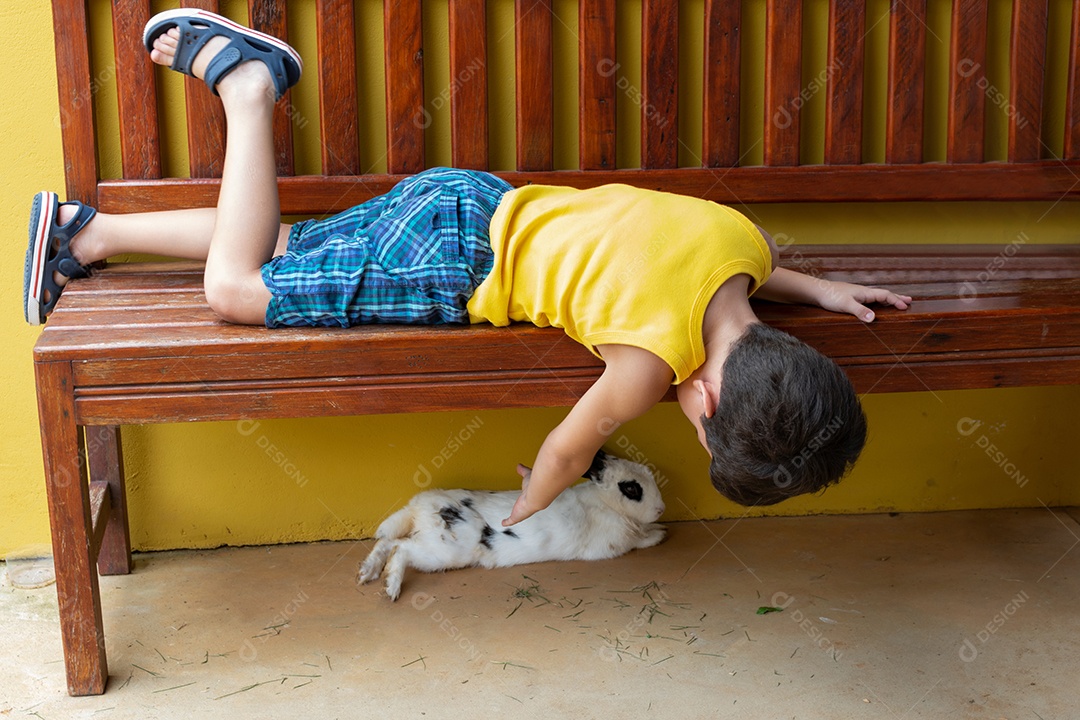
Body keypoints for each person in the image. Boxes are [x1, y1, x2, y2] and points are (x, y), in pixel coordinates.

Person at [24, 10, 912, 527]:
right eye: (702, 431)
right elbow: (569, 448)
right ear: (707, 402)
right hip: (454, 267)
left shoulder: (747, 246)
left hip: (467, 199)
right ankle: (246, 88)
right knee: (236, 290)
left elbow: (745, 280)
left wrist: (819, 285)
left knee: (292, 249)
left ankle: (89, 234)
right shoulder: (647, 363)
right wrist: (525, 512)